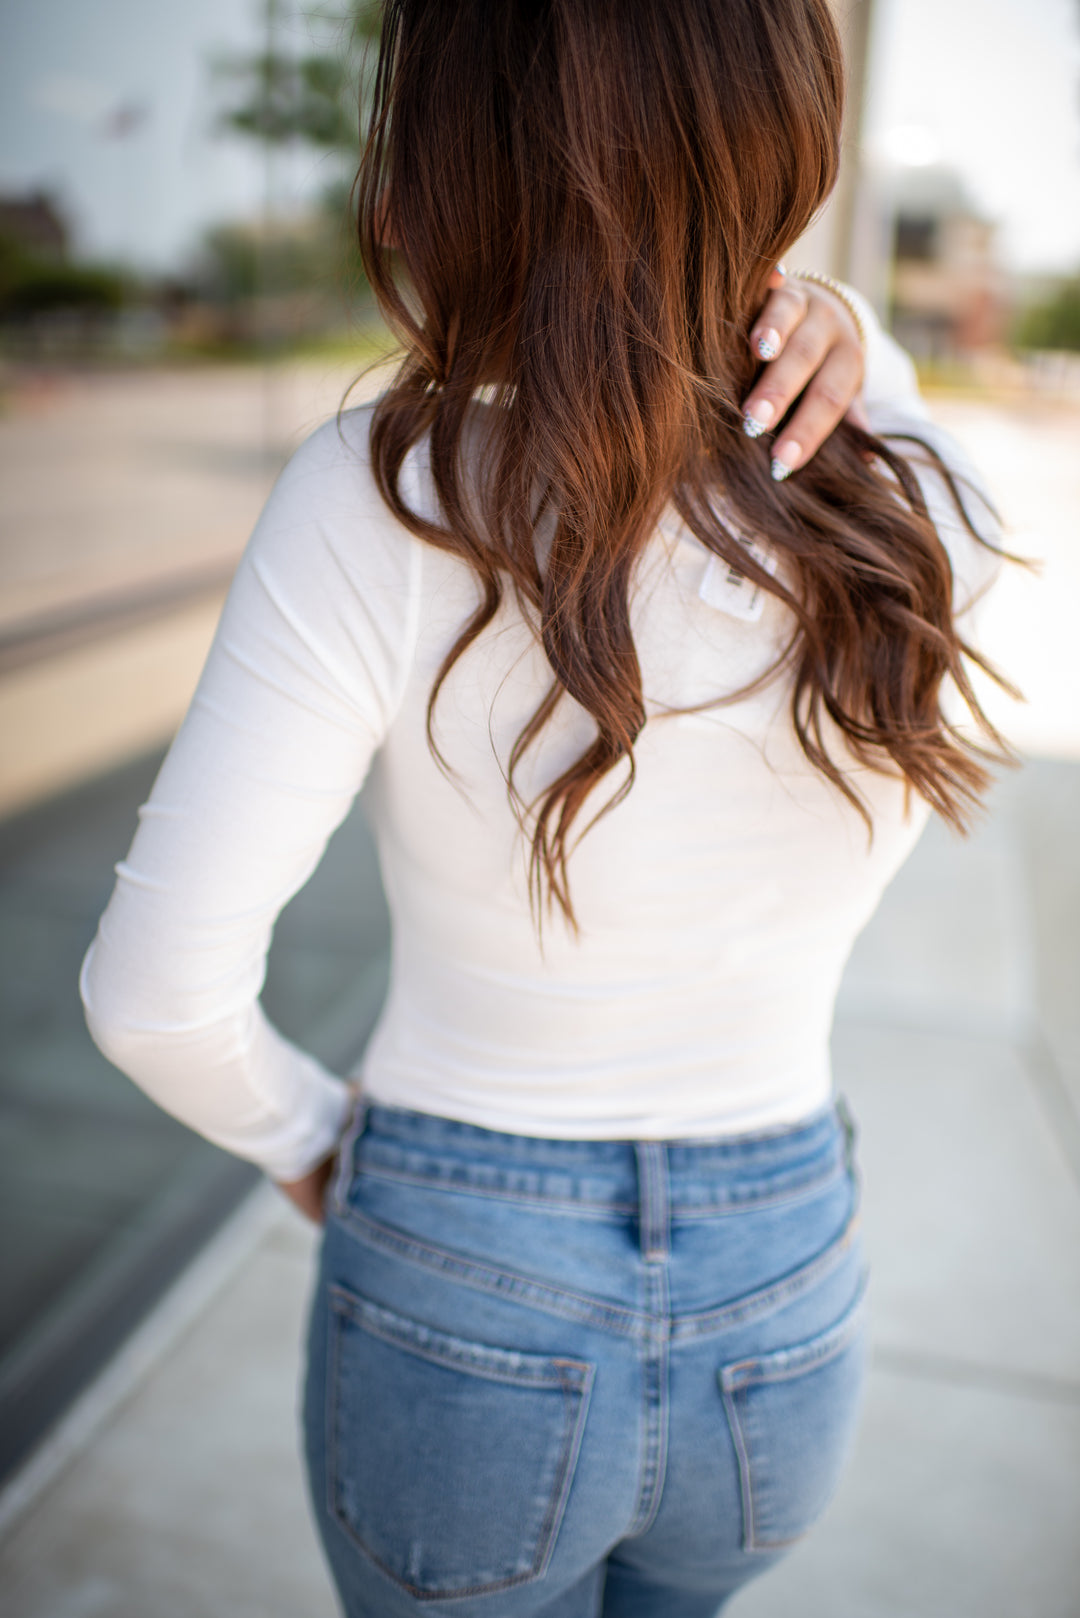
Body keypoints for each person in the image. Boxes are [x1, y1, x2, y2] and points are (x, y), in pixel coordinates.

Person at [79, 1, 1012, 1613]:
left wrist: (314, 1147)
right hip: (786, 1290)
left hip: (463, 1268)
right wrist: (850, 325)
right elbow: (897, 403)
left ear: (444, 150)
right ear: (786, 124)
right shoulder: (917, 498)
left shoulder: (383, 495)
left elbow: (154, 1000)